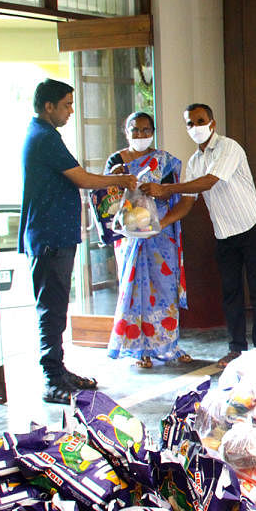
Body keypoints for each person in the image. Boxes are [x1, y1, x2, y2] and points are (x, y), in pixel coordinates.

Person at [20, 79, 136, 404]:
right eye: (67, 105)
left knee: (57, 306)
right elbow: (81, 177)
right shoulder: (44, 138)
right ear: (49, 107)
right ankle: (52, 379)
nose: (71, 111)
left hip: (55, 235)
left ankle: (60, 370)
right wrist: (120, 180)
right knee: (51, 309)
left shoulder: (45, 135)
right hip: (49, 238)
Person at [142, 103, 256, 367]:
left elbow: (210, 181)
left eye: (200, 121)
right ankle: (236, 348)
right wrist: (159, 223)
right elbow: (188, 203)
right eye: (190, 123)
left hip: (250, 225)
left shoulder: (229, 147)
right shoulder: (193, 161)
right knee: (231, 292)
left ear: (212, 123)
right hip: (224, 233)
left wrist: (166, 189)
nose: (196, 128)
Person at [103, 111, 194, 369]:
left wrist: (158, 193)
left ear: (153, 132)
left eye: (146, 130)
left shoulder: (163, 162)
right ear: (126, 131)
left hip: (159, 233)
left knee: (164, 288)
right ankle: (136, 350)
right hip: (129, 236)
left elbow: (172, 195)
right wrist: (116, 178)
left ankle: (167, 346)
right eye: (135, 130)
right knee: (133, 290)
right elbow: (106, 199)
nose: (141, 135)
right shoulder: (115, 160)